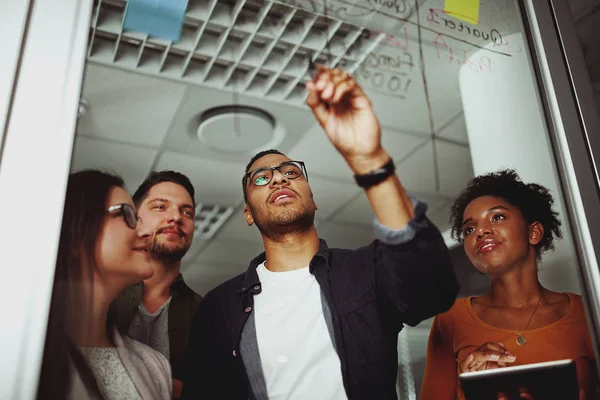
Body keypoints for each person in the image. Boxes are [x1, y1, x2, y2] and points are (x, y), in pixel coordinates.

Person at [182, 66, 459, 399]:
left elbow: (432, 291)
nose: (279, 179)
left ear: (314, 199)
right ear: (248, 214)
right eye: (260, 178)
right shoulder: (219, 307)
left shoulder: (366, 270)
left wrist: (368, 159)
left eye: (289, 172)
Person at [420, 170, 597, 400]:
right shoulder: (450, 320)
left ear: (534, 233)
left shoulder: (587, 312)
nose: (480, 231)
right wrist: (474, 389)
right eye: (469, 229)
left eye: (497, 217)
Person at [37, 170, 172, 400]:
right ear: (77, 227)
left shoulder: (155, 366)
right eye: (126, 215)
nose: (147, 232)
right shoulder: (21, 358)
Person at [114, 171, 202, 400]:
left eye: (187, 212)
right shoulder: (98, 296)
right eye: (160, 207)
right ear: (133, 218)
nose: (176, 217)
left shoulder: (206, 313)